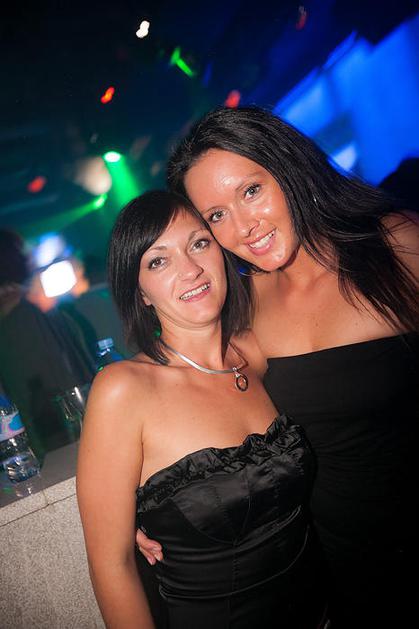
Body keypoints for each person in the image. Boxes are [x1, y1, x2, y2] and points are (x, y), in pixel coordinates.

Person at [137, 106, 419, 628]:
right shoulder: (245, 307)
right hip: (342, 576)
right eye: (216, 216)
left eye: (251, 191)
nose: (243, 228)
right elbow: (189, 388)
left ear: (288, 168)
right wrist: (145, 504)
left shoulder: (393, 246)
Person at [76, 190, 328, 629]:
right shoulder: (123, 390)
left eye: (198, 243)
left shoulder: (256, 352)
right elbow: (111, 564)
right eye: (159, 261)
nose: (190, 269)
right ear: (140, 293)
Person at [0, 229, 95, 461]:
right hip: (59, 431)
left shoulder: (29, 304)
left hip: (64, 424)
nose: (28, 257)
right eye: (21, 251)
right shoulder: (20, 314)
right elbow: (50, 378)